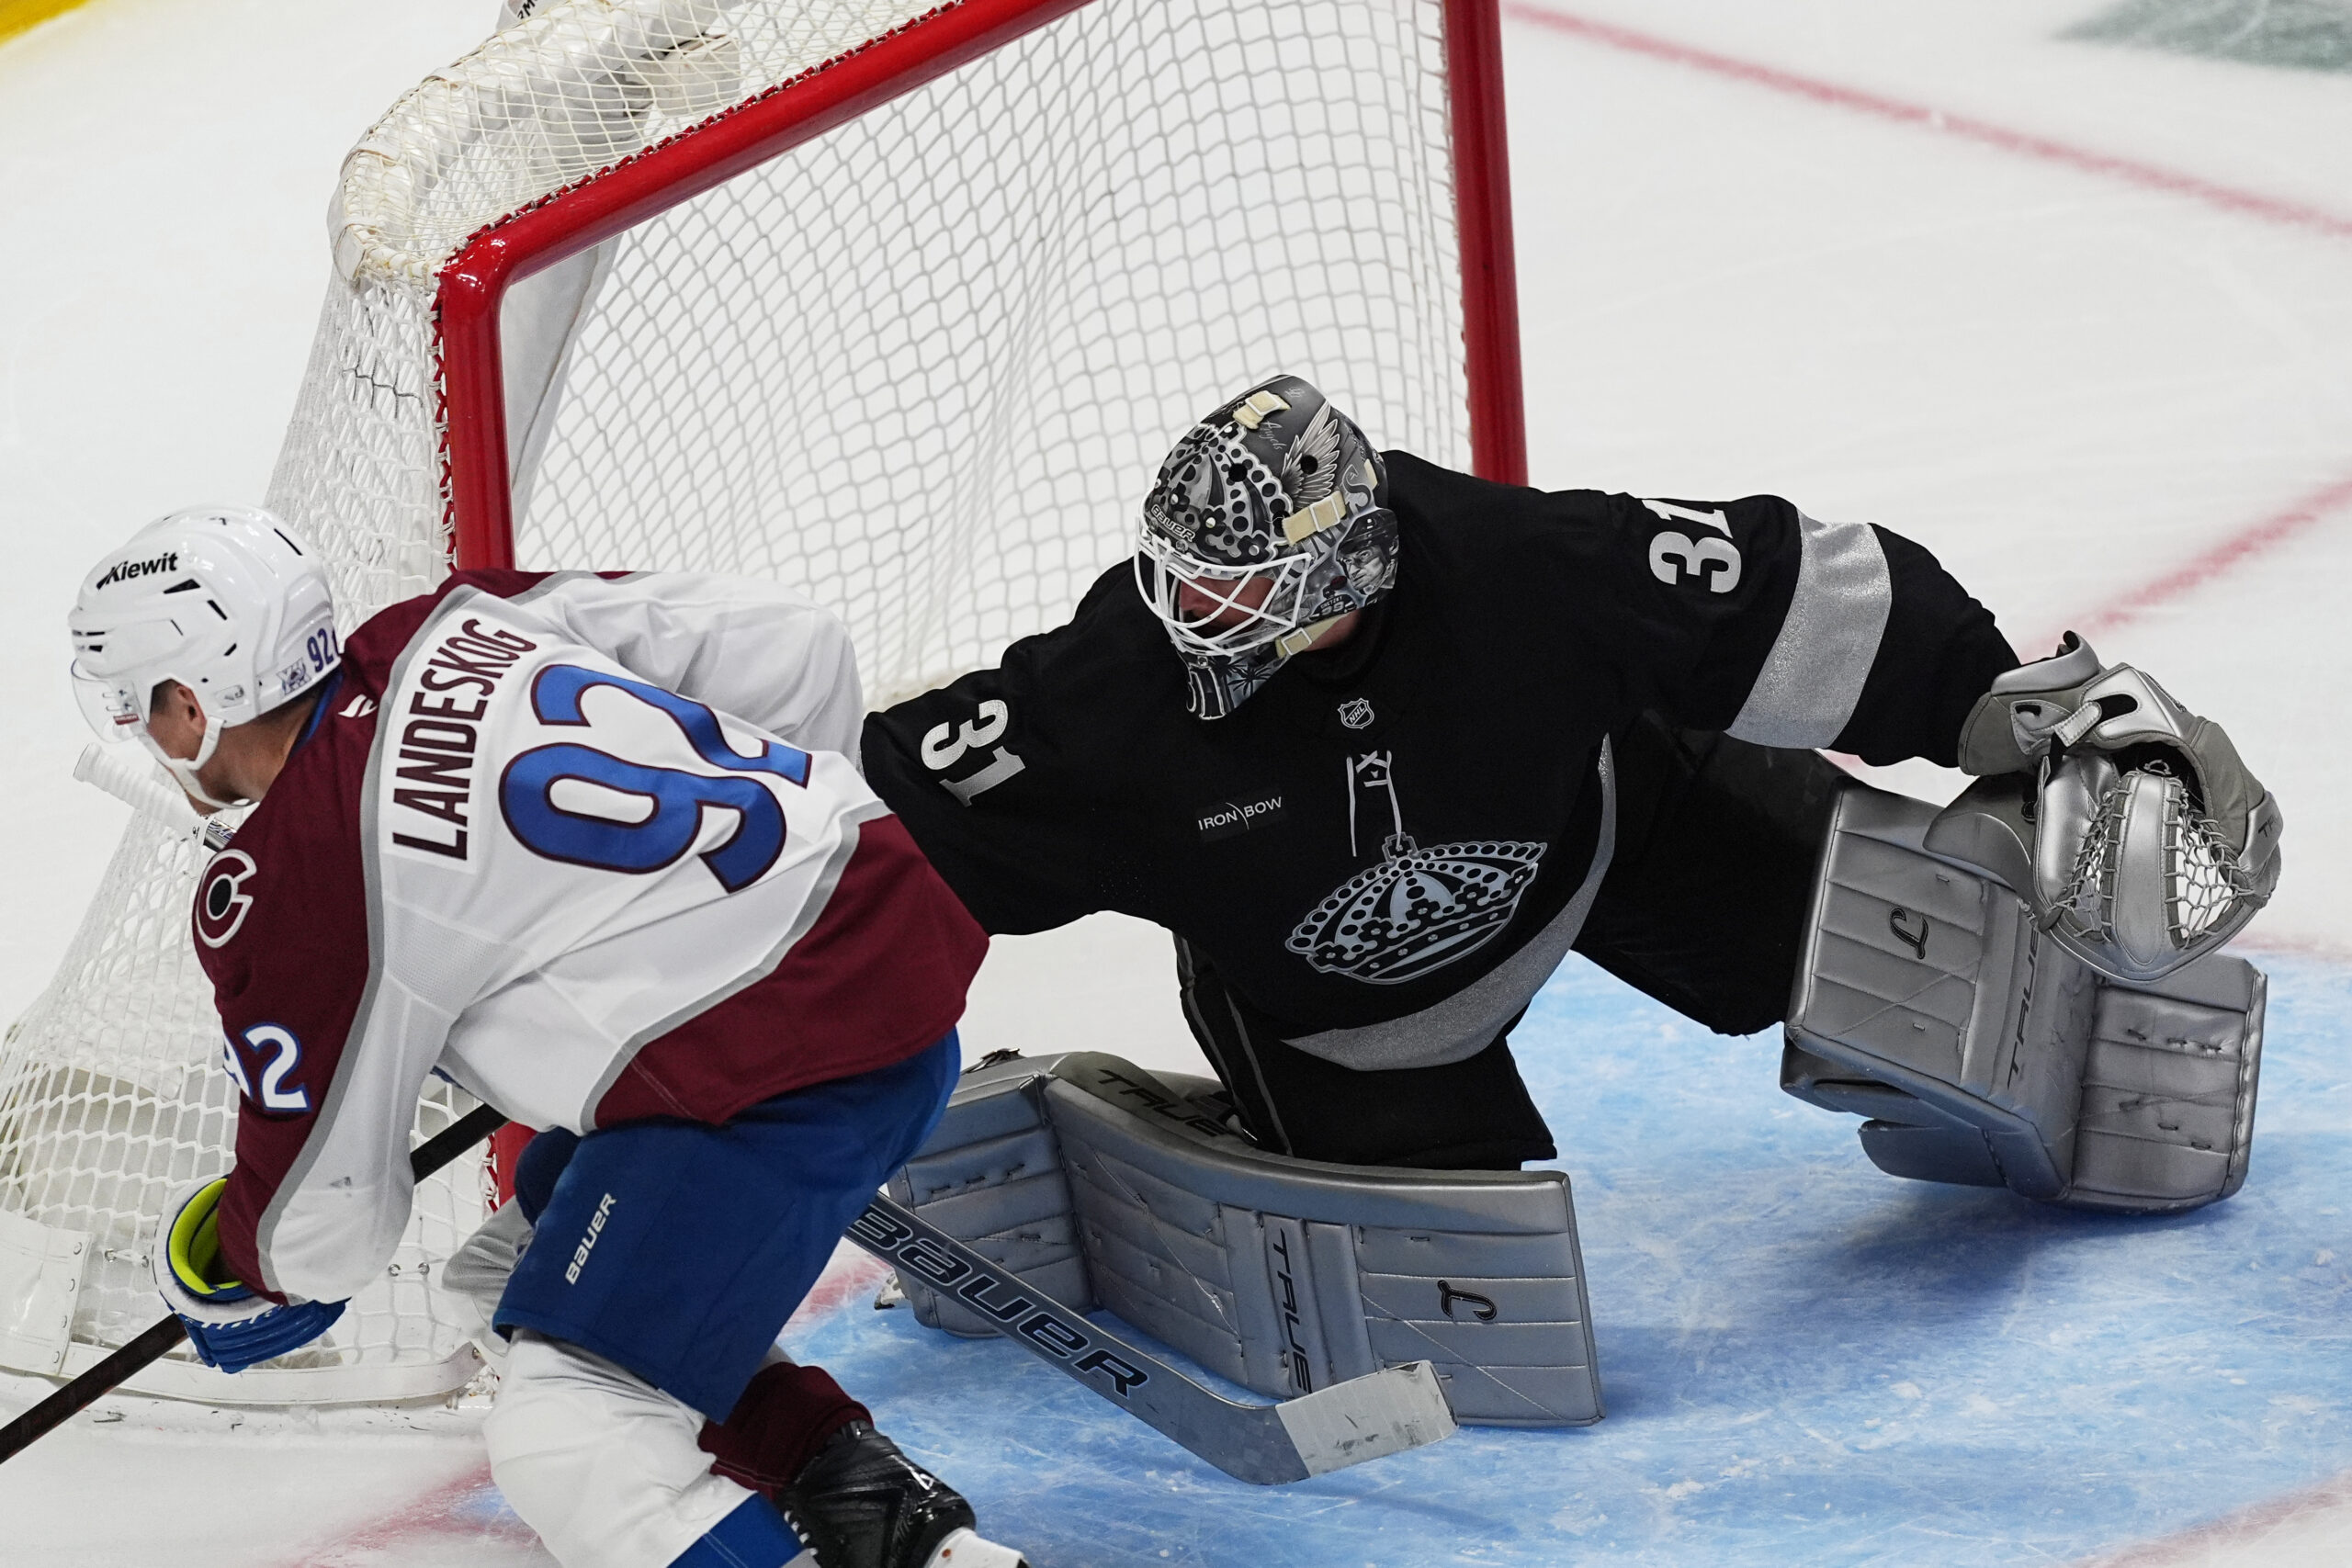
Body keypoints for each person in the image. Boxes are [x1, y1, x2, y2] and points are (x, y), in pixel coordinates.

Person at [862, 374, 2278, 1177]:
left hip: (1603, 835)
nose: (1198, 626)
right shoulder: (1109, 691)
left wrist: (2004, 706)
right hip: (1352, 1019)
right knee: (1440, 1328)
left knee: (1938, 953)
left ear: (1348, 565)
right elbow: (891, 838)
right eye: (1187, 588)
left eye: (1242, 598)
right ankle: (1171, 1121)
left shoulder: (1519, 567)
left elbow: (1796, 595)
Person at [67, 507, 1024, 1568]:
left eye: (139, 710)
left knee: (570, 1437)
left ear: (194, 704)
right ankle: (862, 1496)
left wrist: (223, 1270)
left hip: (776, 1084)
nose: (143, 741)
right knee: (512, 1274)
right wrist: (760, 878)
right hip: (895, 935)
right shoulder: (443, 620)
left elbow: (320, 1236)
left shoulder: (291, 882)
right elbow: (792, 643)